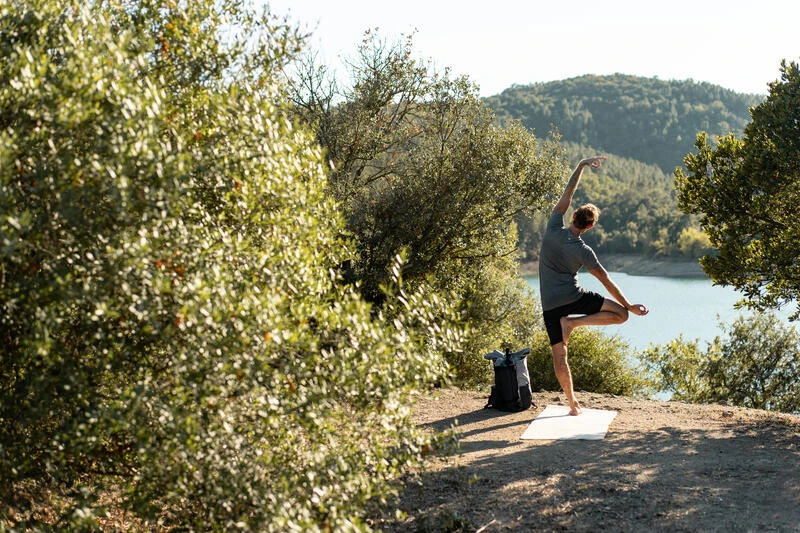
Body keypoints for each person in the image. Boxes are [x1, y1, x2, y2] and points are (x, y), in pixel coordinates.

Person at [539, 156, 649, 416]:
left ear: (573, 215)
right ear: (589, 227)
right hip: (574, 299)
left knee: (559, 354)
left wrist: (581, 165)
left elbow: (569, 191)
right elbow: (607, 281)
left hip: (550, 305)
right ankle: (574, 323)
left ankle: (572, 404)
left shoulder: (553, 227)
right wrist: (629, 306)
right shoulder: (584, 251)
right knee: (620, 316)